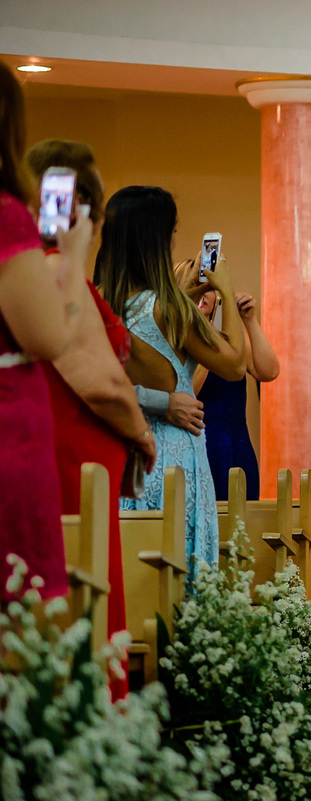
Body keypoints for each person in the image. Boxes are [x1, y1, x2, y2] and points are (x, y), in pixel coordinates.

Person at [26, 140, 157, 693]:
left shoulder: (29, 270)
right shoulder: (59, 271)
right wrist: (141, 433)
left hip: (65, 452)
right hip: (73, 456)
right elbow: (99, 383)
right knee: (83, 591)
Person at [94, 186, 246, 575]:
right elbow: (235, 364)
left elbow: (91, 383)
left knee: (131, 571)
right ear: (157, 239)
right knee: (179, 573)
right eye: (173, 231)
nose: (175, 240)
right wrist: (225, 289)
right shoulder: (172, 309)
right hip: (173, 457)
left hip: (121, 452)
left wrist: (181, 296)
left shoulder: (98, 302)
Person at [0, 63, 93, 600]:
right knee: (18, 598)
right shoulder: (7, 218)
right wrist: (74, 255)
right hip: (9, 428)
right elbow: (50, 338)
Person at [182, 261, 279, 501]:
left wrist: (249, 321)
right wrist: (208, 338)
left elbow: (269, 371)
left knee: (241, 521)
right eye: (195, 284)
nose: (203, 292)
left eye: (208, 286)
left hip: (237, 446)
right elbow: (190, 390)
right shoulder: (179, 341)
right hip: (197, 449)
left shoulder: (230, 342)